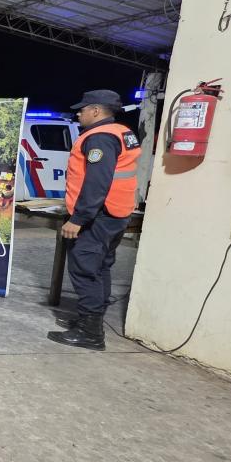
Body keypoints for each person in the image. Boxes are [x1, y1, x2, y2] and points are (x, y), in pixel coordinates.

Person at [48, 90, 140, 351]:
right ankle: (90, 320)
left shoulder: (100, 137)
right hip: (115, 213)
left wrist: (78, 218)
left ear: (96, 111)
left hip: (97, 216)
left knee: (85, 269)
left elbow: (97, 182)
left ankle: (90, 333)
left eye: (83, 109)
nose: (79, 113)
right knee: (100, 267)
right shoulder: (122, 132)